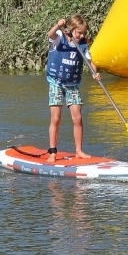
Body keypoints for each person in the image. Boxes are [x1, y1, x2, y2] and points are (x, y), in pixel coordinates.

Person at [45, 15, 90, 159]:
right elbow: (50, 34)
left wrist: (95, 72)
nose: (82, 35)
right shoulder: (60, 36)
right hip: (56, 82)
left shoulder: (83, 44)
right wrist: (58, 25)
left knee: (78, 118)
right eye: (79, 32)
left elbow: (90, 61)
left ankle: (79, 151)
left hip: (72, 84)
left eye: (84, 33)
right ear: (70, 30)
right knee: (56, 118)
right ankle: (52, 153)